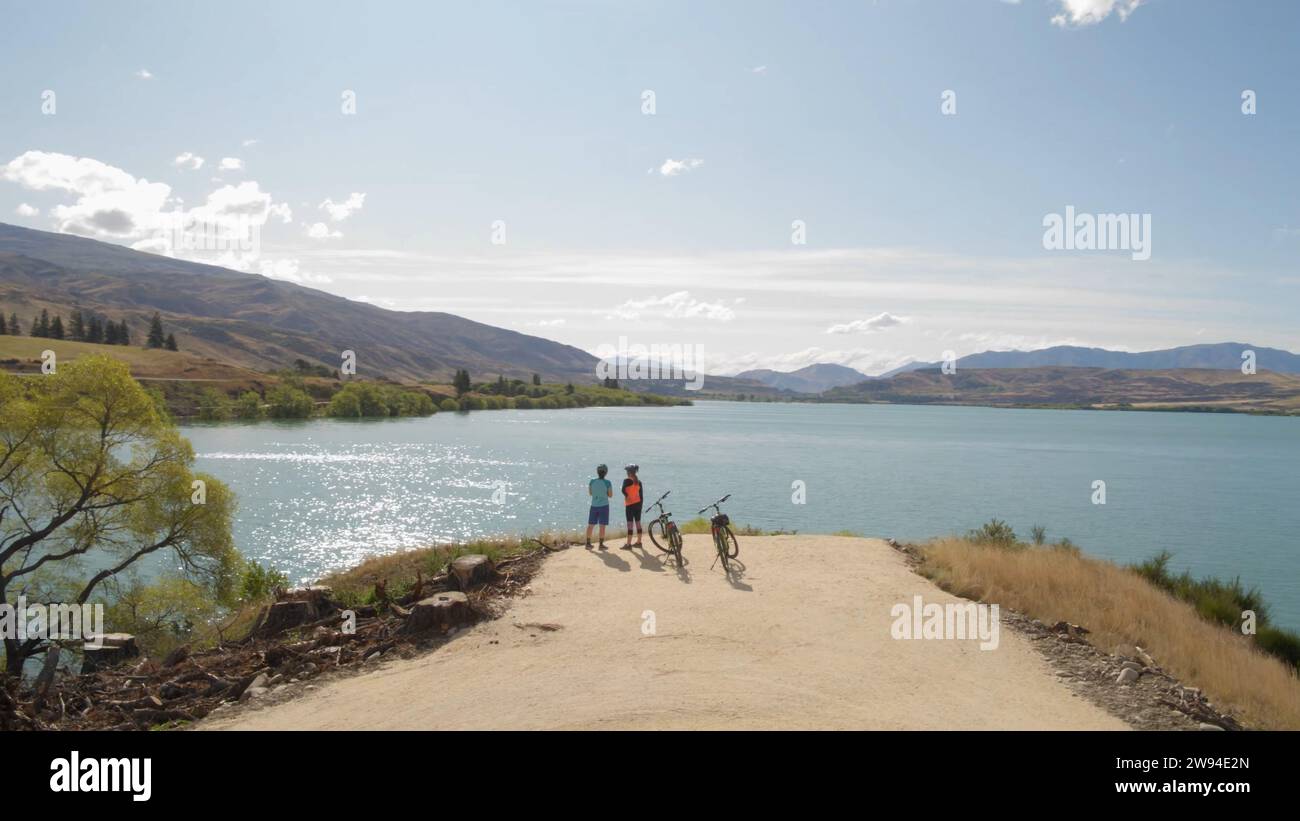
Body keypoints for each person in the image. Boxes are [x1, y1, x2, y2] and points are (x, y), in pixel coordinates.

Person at [586, 464, 613, 549]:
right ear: (606, 473)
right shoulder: (607, 482)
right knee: (602, 526)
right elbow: (610, 495)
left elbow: (590, 493)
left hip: (594, 505)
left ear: (597, 472)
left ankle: (588, 543)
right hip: (604, 506)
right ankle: (601, 544)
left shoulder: (592, 481)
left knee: (590, 525)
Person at [621, 464, 643, 549]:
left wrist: (627, 496)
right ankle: (639, 542)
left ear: (629, 472)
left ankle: (628, 544)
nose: (626, 473)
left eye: (627, 471)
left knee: (630, 524)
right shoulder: (639, 482)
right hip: (638, 504)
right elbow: (641, 496)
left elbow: (623, 490)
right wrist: (640, 506)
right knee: (638, 523)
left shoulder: (626, 481)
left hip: (630, 505)